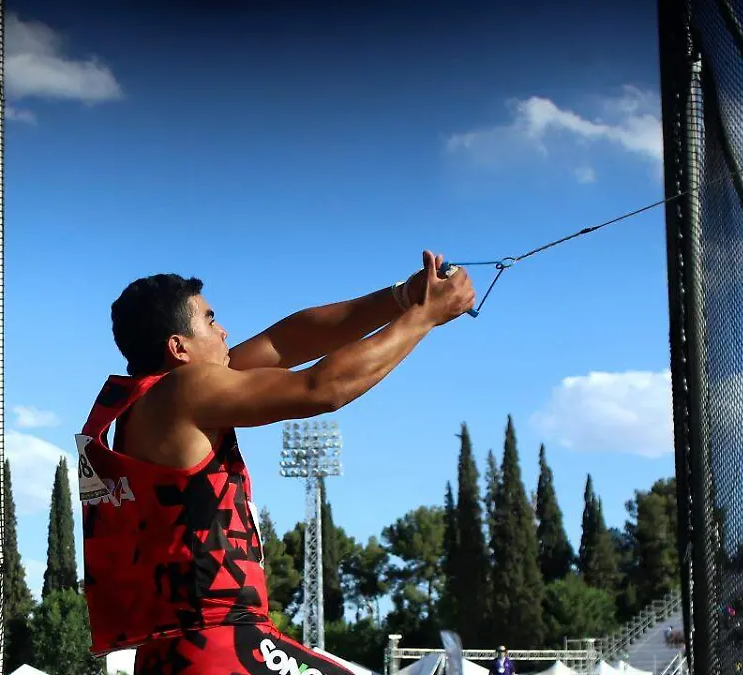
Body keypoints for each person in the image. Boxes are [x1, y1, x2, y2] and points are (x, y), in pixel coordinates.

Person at [76, 252, 475, 674]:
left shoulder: (148, 403)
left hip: (171, 652)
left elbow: (285, 343)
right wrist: (424, 316)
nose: (224, 330)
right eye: (211, 320)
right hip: (221, 642)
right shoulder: (187, 388)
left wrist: (401, 297)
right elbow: (321, 387)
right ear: (179, 347)